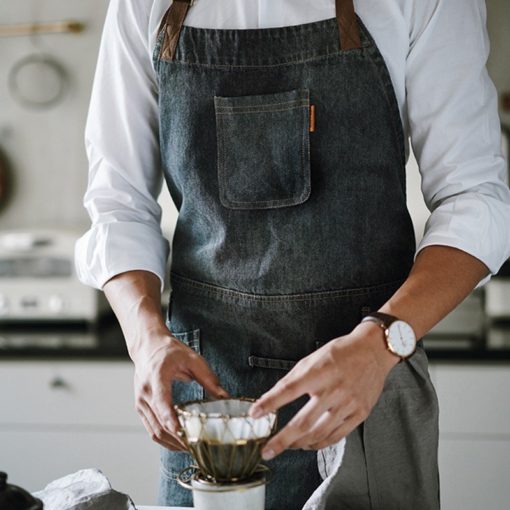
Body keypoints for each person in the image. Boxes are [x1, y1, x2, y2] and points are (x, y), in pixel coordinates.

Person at [75, 0, 510, 508]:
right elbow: (117, 204)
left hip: (367, 393)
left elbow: (476, 199)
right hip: (211, 414)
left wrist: (381, 344)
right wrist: (147, 340)